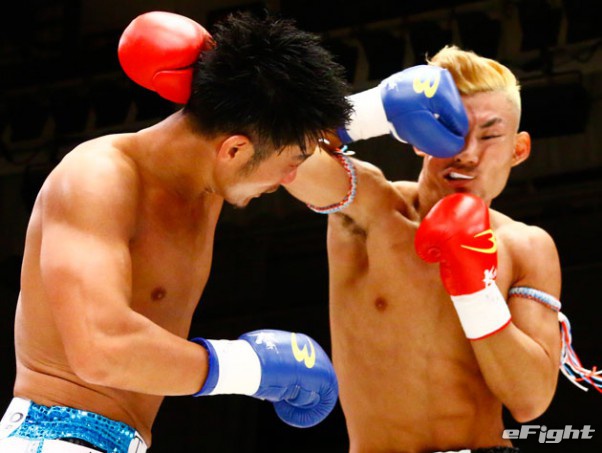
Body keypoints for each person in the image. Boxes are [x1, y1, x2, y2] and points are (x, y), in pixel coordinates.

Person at [0, 10, 355, 453]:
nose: (289, 181)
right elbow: (101, 347)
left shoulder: (217, 170)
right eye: (290, 165)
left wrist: (380, 110)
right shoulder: (97, 179)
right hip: (55, 437)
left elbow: (336, 185)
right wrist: (252, 367)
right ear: (234, 150)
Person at [285, 45, 600, 452]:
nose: (467, 153)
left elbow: (530, 402)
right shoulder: (370, 208)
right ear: (418, 139)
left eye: (489, 135)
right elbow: (276, 152)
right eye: (450, 131)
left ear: (518, 150)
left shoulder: (525, 246)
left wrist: (476, 292)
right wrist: (372, 111)